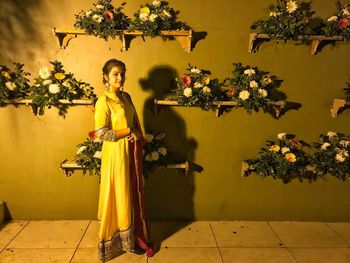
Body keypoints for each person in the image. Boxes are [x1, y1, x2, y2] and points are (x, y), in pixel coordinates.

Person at [92, 58, 155, 261]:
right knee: (117, 193)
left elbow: (135, 124)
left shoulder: (126, 97)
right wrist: (129, 130)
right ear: (105, 77)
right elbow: (101, 133)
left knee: (128, 192)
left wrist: (136, 133)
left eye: (122, 73)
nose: (120, 77)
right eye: (115, 74)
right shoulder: (104, 101)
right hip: (115, 155)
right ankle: (114, 240)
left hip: (129, 153)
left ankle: (132, 239)